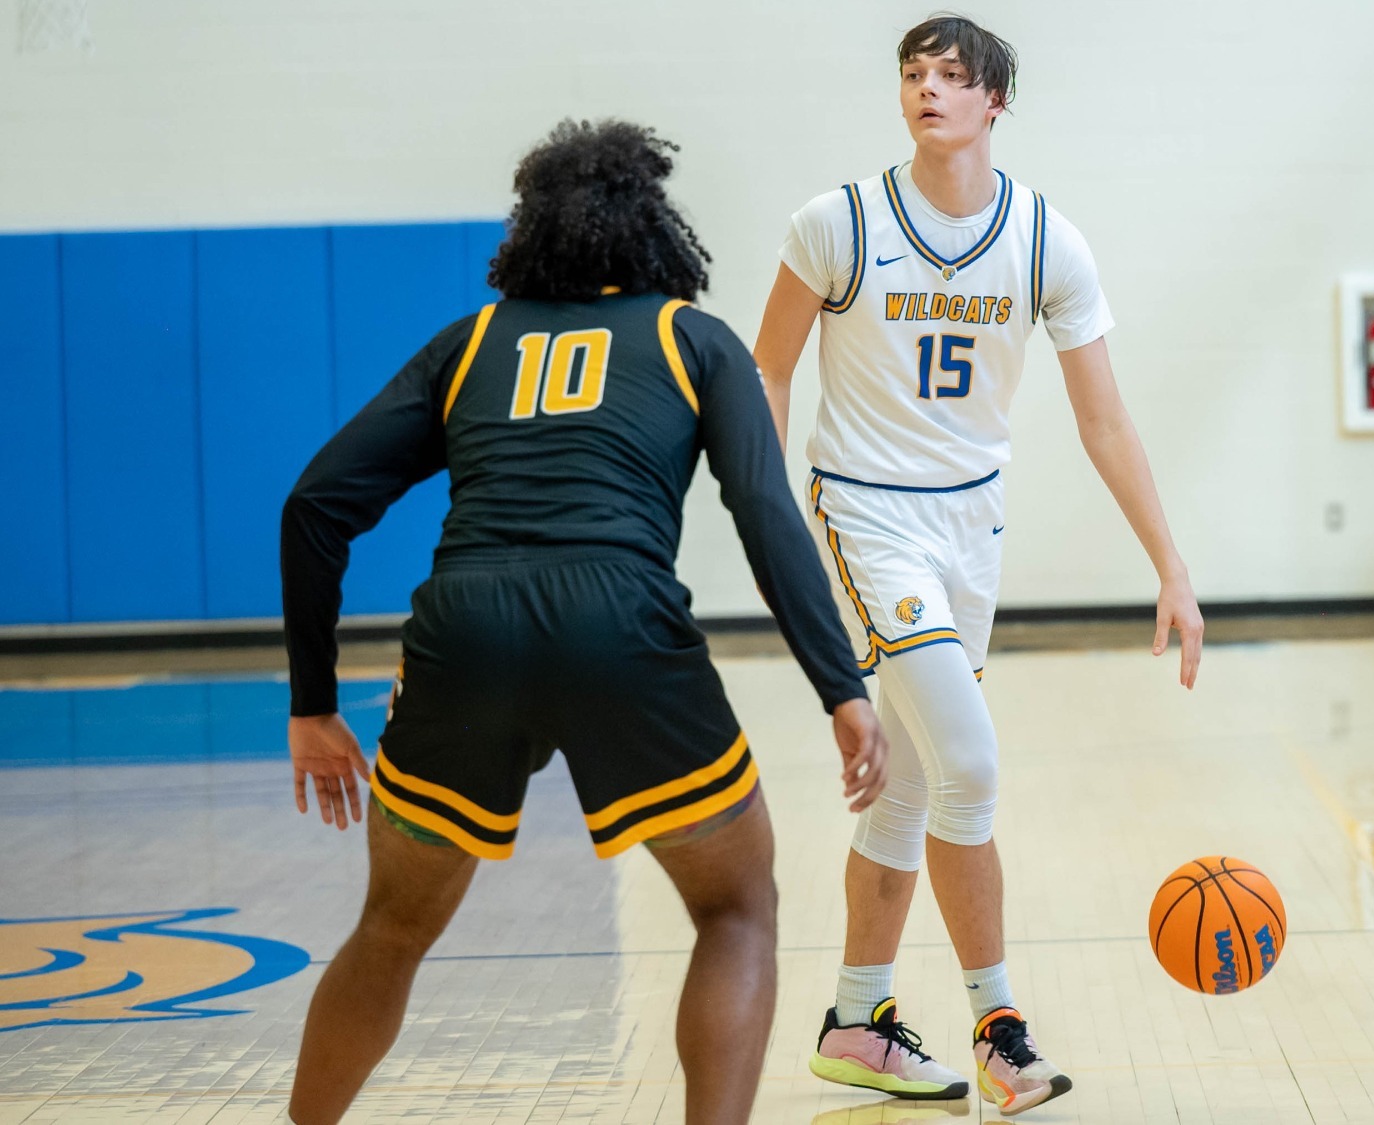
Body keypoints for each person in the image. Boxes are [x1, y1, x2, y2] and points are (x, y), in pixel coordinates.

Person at [280, 119, 888, 1125]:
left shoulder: (470, 342)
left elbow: (314, 506)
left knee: (390, 929)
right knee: (736, 908)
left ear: (532, 232)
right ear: (654, 227)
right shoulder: (690, 338)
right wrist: (840, 688)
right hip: (620, 622)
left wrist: (311, 705)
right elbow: (765, 513)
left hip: (463, 628)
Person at [752, 16, 1204, 1116]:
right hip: (863, 515)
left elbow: (1103, 421)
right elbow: (764, 372)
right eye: (913, 76)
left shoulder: (1045, 239)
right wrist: (775, 524)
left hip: (972, 528)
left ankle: (857, 1021)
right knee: (971, 762)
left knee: (910, 784)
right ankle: (998, 1026)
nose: (927, 92)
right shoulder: (838, 223)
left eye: (951, 78)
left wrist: (1170, 568)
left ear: (995, 100)